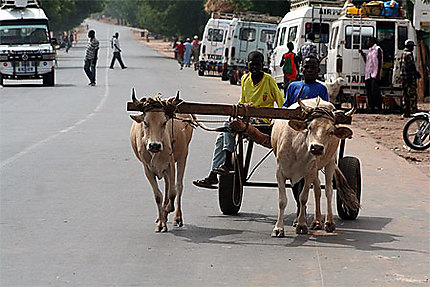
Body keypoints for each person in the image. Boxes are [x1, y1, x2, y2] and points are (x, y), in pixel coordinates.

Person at [193, 51, 284, 188]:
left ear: (262, 65)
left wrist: (282, 122)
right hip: (246, 119)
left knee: (228, 127)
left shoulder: (269, 80)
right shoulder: (245, 79)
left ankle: (226, 165)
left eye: (257, 64)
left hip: (262, 122)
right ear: (247, 64)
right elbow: (242, 101)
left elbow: (280, 101)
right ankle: (213, 174)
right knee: (223, 133)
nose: (254, 67)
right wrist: (240, 108)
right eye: (252, 64)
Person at [359, 37, 383, 112]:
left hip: (374, 73)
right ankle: (371, 106)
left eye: (368, 41)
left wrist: (378, 73)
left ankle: (378, 107)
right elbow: (368, 61)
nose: (367, 43)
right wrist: (363, 54)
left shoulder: (377, 49)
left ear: (372, 41)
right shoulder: (370, 51)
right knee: (369, 91)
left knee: (375, 91)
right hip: (368, 74)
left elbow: (379, 62)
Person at [399, 39, 421, 117]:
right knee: (412, 95)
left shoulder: (402, 54)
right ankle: (413, 111)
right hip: (409, 78)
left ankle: (406, 112)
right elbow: (411, 66)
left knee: (405, 96)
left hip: (403, 78)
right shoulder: (409, 54)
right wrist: (417, 74)